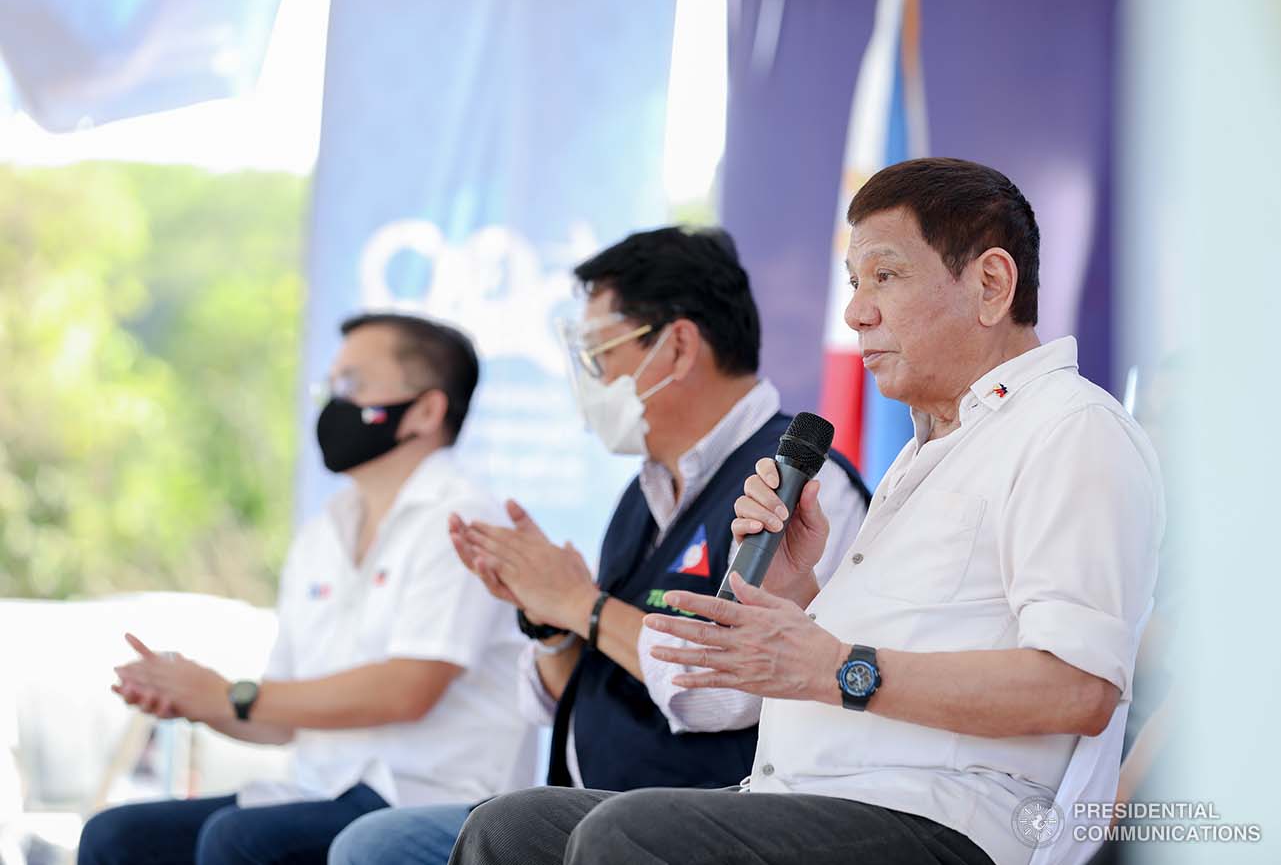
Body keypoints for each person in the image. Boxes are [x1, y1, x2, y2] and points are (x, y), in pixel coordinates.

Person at [448, 158, 1165, 865]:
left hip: (947, 823)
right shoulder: (929, 451)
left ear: (990, 284)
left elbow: (1078, 690)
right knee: (511, 828)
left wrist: (834, 667)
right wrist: (797, 590)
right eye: (855, 283)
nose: (856, 311)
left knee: (624, 835)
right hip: (804, 799)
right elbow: (883, 654)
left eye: (885, 276)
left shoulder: (1069, 429)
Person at [327, 227, 870, 865]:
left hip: (708, 819)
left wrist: (582, 604)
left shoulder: (801, 487)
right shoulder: (640, 496)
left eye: (598, 353)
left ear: (676, 347)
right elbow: (565, 695)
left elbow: (727, 693)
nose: (588, 377)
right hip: (587, 804)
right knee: (378, 843)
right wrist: (549, 620)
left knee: (379, 844)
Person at [78, 313, 533, 865]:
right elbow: (278, 717)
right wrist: (196, 699)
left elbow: (407, 690)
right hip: (321, 790)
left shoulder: (464, 521)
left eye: (351, 386)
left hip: (429, 798)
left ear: (427, 411)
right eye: (330, 385)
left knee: (238, 839)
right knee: (116, 837)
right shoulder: (324, 532)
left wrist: (230, 695)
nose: (332, 403)